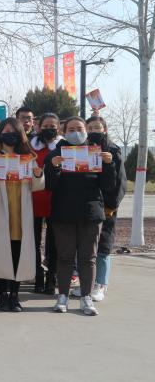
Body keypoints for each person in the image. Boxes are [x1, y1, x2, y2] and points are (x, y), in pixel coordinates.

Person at [45, 116, 116, 316]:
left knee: (88, 258)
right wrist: (54, 167)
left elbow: (108, 186)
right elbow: (49, 185)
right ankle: (63, 296)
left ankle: (86, 297)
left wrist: (109, 165)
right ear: (63, 132)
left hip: (91, 213)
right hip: (63, 214)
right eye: (71, 129)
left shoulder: (96, 152)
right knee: (65, 257)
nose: (76, 132)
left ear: (86, 131)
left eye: (80, 128)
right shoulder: (56, 153)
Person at [0, 118, 44, 312]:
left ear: (20, 133)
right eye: (5, 131)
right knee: (1, 254)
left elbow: (37, 186)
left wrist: (38, 174)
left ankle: (15, 294)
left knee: (17, 253)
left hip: (20, 212)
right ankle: (2, 294)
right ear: (0, 134)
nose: (9, 134)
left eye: (13, 131)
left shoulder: (28, 157)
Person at [83, 116, 126, 302]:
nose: (93, 131)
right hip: (87, 206)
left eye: (97, 127)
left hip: (106, 207)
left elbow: (120, 182)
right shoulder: (81, 150)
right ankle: (87, 284)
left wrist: (112, 205)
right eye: (90, 128)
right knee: (87, 247)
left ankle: (101, 284)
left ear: (105, 129)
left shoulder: (113, 150)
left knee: (103, 246)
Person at [30, 113, 62, 294]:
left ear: (58, 128)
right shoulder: (29, 147)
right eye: (45, 126)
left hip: (56, 201)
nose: (49, 129)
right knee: (34, 242)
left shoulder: (64, 147)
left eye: (52, 126)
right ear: (38, 127)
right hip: (33, 199)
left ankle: (52, 277)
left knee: (54, 243)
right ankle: (38, 277)